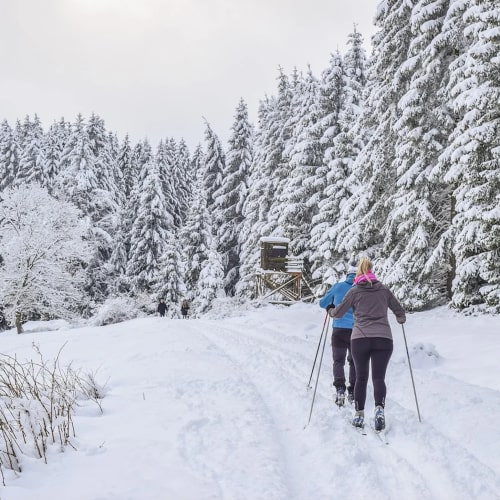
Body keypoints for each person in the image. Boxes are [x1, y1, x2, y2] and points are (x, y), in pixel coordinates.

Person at [329, 257, 406, 431]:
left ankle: (359, 414)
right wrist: (400, 318)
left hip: (360, 339)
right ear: (372, 271)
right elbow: (399, 310)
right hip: (384, 339)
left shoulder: (355, 291)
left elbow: (339, 313)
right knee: (379, 378)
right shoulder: (384, 290)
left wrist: (330, 310)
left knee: (361, 378)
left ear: (358, 274)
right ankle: (379, 409)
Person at [319, 262, 357, 407]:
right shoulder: (361, 289)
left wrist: (330, 306)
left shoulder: (338, 286)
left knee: (338, 361)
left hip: (339, 329)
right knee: (354, 362)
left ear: (347, 275)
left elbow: (323, 303)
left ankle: (340, 389)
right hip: (356, 330)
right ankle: (353, 391)